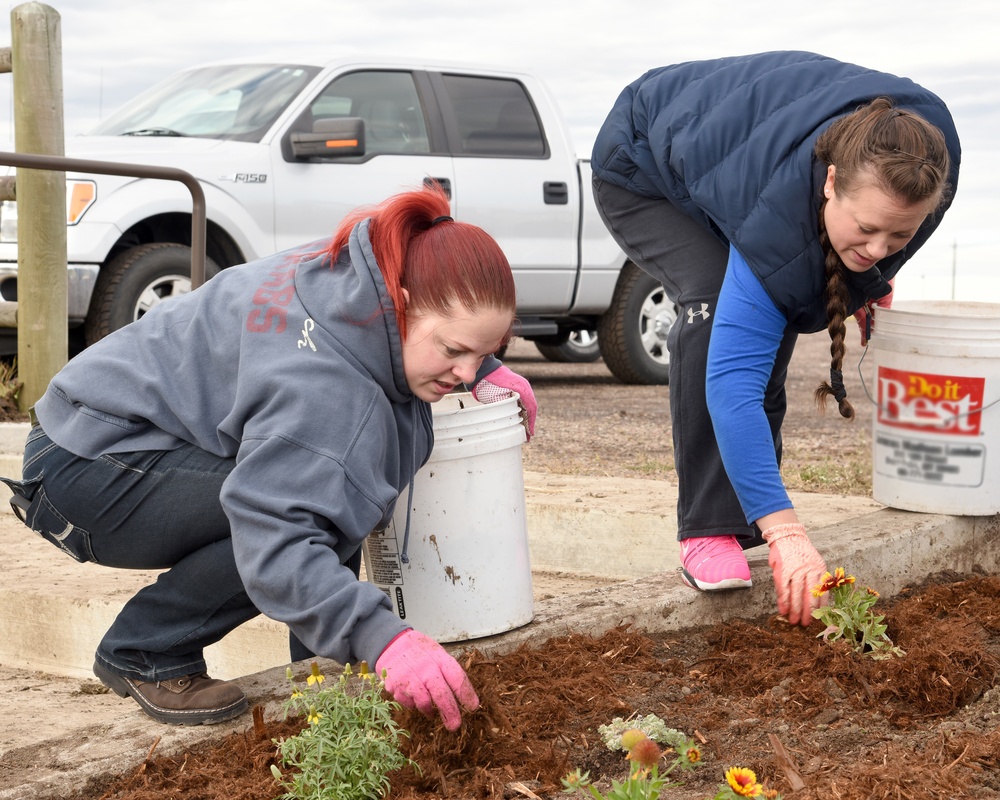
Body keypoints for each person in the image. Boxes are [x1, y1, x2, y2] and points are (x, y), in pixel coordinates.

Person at [0, 184, 537, 731]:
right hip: (85, 463)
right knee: (306, 510)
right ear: (398, 303)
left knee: (328, 491)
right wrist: (384, 638)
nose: (466, 373)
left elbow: (439, 338)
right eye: (453, 351)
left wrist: (483, 366)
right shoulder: (323, 387)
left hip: (122, 432)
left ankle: (325, 685)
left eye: (485, 350)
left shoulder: (361, 274)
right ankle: (146, 648)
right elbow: (277, 537)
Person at [590, 51, 960, 626]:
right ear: (831, 183)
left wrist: (870, 279)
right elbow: (734, 386)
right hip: (642, 162)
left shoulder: (930, 162)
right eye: (864, 230)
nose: (880, 247)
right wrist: (787, 531)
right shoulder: (780, 215)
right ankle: (711, 527)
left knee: (781, 289)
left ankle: (753, 512)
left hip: (737, 159)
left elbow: (877, 237)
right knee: (719, 300)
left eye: (899, 235)